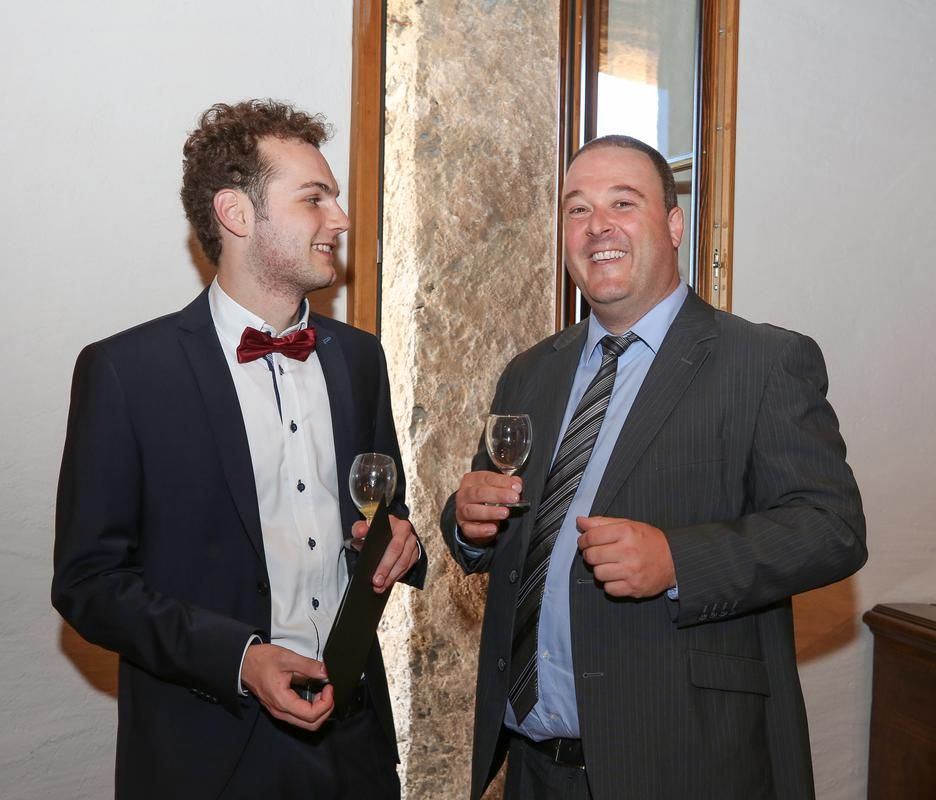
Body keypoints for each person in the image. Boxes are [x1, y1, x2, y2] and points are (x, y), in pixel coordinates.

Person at [441, 135, 866, 800]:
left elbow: (832, 528)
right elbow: (498, 519)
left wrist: (677, 561)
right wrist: (468, 522)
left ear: (673, 225)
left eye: (622, 203)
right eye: (578, 209)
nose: (597, 226)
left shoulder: (762, 362)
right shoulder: (530, 373)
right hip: (531, 767)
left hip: (684, 764)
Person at [52, 99, 426, 799]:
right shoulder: (127, 373)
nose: (340, 219)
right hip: (211, 755)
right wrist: (243, 658)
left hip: (356, 748)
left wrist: (399, 542)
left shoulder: (360, 359)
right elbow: (89, 585)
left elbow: (383, 516)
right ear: (236, 213)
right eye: (314, 199)